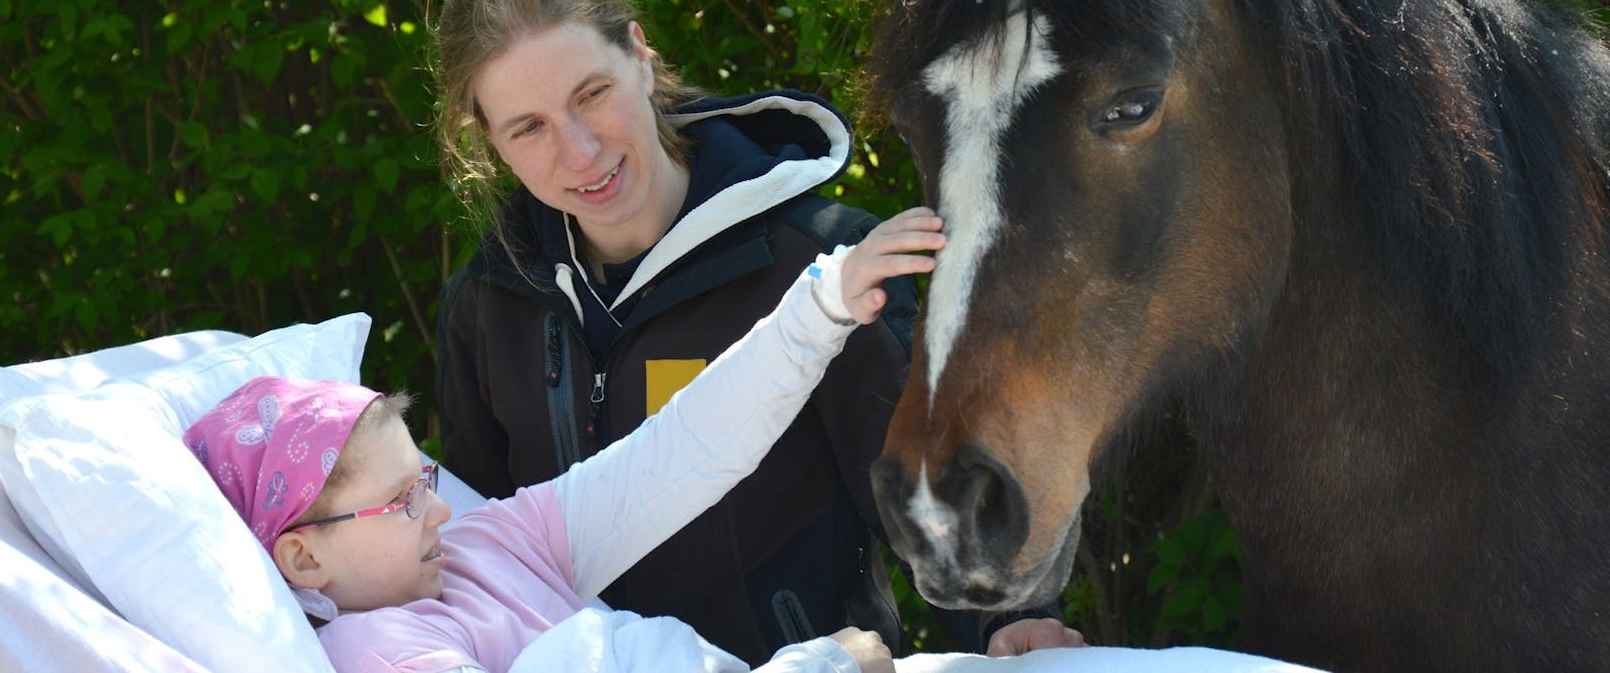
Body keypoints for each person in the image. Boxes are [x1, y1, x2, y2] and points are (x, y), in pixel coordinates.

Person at [425, 0, 1052, 659]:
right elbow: (468, 560)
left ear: (640, 55)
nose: (580, 153)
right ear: (489, 142)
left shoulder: (816, 264)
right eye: (528, 127)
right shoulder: (488, 305)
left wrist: (1011, 617)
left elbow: (924, 480)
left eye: (591, 94)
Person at [185, 210, 1086, 673]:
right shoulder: (376, 653)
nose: (438, 504)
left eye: (426, 473)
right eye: (403, 497)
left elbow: (680, 451)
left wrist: (820, 306)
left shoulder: (484, 542)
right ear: (302, 557)